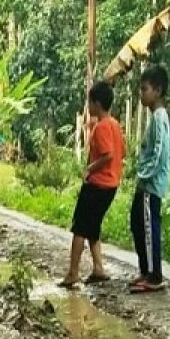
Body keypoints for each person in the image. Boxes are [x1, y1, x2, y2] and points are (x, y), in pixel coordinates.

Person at [59, 81, 126, 289]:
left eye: (89, 101)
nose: (87, 105)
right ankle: (98, 268)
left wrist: (90, 169)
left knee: (80, 227)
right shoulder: (115, 125)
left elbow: (108, 155)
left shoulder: (102, 127)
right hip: (111, 185)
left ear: (96, 103)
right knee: (93, 226)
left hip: (98, 184)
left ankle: (73, 272)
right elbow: (121, 153)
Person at [130, 66, 170, 294]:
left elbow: (160, 151)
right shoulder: (155, 117)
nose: (141, 93)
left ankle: (154, 276)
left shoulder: (160, 117)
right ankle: (146, 270)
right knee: (136, 223)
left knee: (148, 228)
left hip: (151, 184)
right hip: (145, 184)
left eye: (145, 89)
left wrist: (145, 174)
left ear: (157, 90)